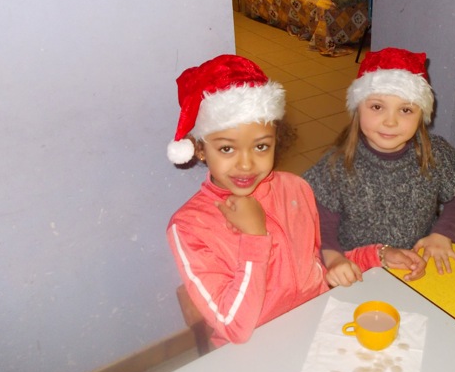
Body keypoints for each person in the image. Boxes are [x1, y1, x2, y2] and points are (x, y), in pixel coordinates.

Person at [166, 54, 425, 347]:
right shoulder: (190, 226)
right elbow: (234, 327)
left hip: (316, 330)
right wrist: (254, 238)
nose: (246, 164)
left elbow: (316, 267)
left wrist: (378, 255)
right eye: (227, 149)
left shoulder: (294, 189)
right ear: (200, 149)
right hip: (254, 352)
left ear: (276, 141)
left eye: (261, 146)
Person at [303, 47, 455, 280]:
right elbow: (321, 228)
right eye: (377, 107)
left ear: (421, 115)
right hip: (360, 271)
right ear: (357, 108)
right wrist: (335, 260)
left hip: (418, 263)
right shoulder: (335, 167)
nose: (390, 122)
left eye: (405, 110)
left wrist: (442, 234)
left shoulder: (434, 154)